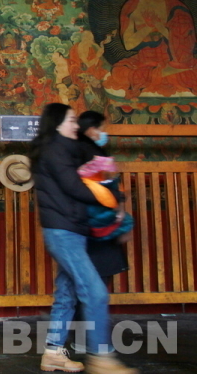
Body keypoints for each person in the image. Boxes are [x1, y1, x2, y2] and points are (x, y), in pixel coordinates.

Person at [30, 103, 138, 374]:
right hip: (63, 232)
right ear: (57, 123)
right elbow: (74, 187)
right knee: (96, 292)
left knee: (67, 294)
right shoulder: (55, 150)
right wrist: (111, 199)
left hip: (72, 230)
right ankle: (102, 358)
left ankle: (53, 353)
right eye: (71, 120)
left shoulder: (65, 148)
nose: (75, 125)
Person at [105, 0, 197, 98]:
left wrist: (159, 26)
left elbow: (186, 43)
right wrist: (147, 27)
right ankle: (159, 74)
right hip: (144, 61)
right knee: (119, 73)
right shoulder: (131, 7)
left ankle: (157, 75)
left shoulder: (176, 7)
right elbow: (128, 45)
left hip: (173, 62)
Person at [77, 111, 131, 278]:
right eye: (101, 128)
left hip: (82, 218)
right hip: (98, 215)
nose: (103, 133)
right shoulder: (93, 152)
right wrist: (119, 207)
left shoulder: (74, 149)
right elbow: (108, 182)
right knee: (99, 270)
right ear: (91, 129)